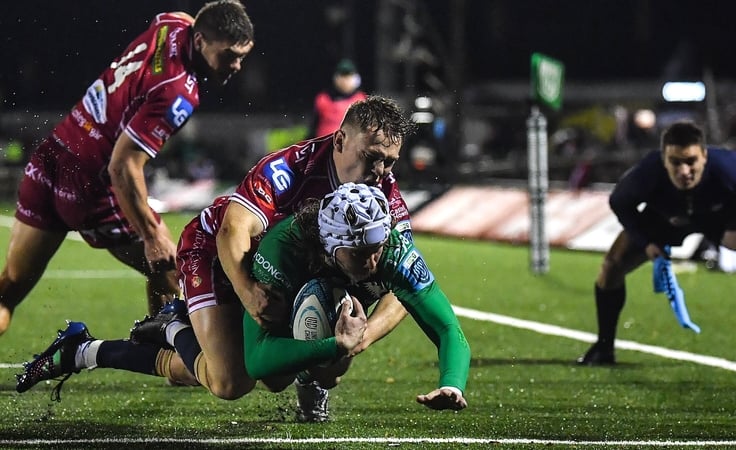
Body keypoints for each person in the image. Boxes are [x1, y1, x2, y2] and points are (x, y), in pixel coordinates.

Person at [16, 97, 418, 422]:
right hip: (218, 252)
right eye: (373, 157)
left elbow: (407, 281)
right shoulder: (289, 170)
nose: (380, 171)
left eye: (390, 161)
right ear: (341, 140)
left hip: (282, 268)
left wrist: (361, 337)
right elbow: (232, 231)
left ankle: (81, 350)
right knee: (229, 381)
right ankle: (170, 326)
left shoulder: (385, 194)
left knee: (316, 358)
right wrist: (249, 294)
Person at [0, 1, 255, 335]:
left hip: (54, 152)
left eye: (242, 56)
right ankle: (173, 361)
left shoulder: (171, 23)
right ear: (199, 42)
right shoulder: (178, 92)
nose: (236, 66)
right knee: (167, 267)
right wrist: (151, 236)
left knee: (10, 289)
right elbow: (122, 166)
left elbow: (191, 20)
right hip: (90, 180)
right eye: (228, 55)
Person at [577, 121, 736, 369]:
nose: (683, 170)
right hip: (663, 220)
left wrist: (722, 226)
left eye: (690, 161)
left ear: (704, 156)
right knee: (611, 265)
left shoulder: (734, 170)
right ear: (663, 159)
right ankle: (604, 346)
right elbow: (620, 203)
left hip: (718, 218)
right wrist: (647, 242)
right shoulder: (648, 172)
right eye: (675, 162)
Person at [244, 183, 470, 417]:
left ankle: (310, 377)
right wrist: (336, 344)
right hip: (286, 290)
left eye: (376, 249)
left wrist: (451, 383)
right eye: (358, 253)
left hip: (348, 295)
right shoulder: (285, 248)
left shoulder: (395, 252)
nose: (371, 262)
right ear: (329, 243)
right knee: (265, 380)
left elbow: (447, 327)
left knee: (329, 374)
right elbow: (256, 360)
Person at [308, 58, 367, 139]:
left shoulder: (362, 101)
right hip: (326, 147)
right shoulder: (323, 99)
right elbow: (313, 128)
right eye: (342, 76)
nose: (344, 81)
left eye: (348, 77)